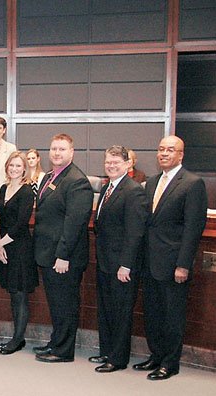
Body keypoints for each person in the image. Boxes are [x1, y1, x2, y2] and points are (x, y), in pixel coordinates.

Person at [133, 136, 207, 380]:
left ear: (181, 155)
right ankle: (156, 356)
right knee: (153, 313)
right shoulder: (152, 182)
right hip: (150, 262)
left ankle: (170, 363)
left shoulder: (193, 183)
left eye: (170, 150)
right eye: (161, 149)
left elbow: (193, 228)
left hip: (174, 263)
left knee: (172, 316)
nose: (164, 153)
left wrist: (183, 264)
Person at [33, 133, 93, 363]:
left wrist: (63, 255)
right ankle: (56, 342)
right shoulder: (49, 176)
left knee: (66, 304)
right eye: (54, 149)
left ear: (72, 152)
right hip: (48, 254)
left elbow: (75, 223)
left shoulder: (77, 181)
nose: (57, 153)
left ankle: (64, 350)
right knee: (56, 303)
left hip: (63, 257)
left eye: (62, 149)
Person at [88, 146, 147, 373]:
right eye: (108, 162)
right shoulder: (107, 188)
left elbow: (135, 232)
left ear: (127, 165)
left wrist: (126, 264)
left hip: (122, 265)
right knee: (106, 309)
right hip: (104, 261)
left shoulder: (133, 191)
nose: (111, 166)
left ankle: (118, 358)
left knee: (121, 312)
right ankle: (107, 351)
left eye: (116, 162)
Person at [0, 152, 38, 355]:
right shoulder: (4, 188)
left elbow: (22, 224)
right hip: (4, 247)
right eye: (11, 165)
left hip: (20, 248)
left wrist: (0, 243)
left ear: (24, 169)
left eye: (18, 166)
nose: (14, 168)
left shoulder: (27, 191)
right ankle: (16, 336)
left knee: (20, 295)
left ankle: (18, 339)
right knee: (13, 294)